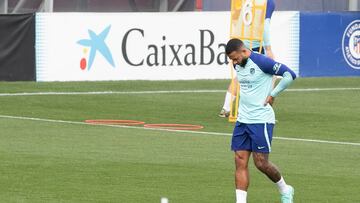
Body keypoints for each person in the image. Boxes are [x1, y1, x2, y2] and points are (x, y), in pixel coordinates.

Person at [225, 38, 295, 203]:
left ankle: (285, 189)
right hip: (243, 119)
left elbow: (289, 74)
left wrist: (273, 94)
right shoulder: (238, 64)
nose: (234, 62)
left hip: (261, 120)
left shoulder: (262, 62)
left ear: (244, 51)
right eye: (232, 60)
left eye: (235, 58)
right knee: (240, 160)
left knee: (261, 163)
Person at [219, 0, 276, 117]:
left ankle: (226, 108)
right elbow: (265, 26)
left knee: (240, 76)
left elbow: (236, 19)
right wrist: (268, 48)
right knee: (271, 74)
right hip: (254, 45)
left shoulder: (248, 1)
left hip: (240, 41)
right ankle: (265, 108)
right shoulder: (268, 2)